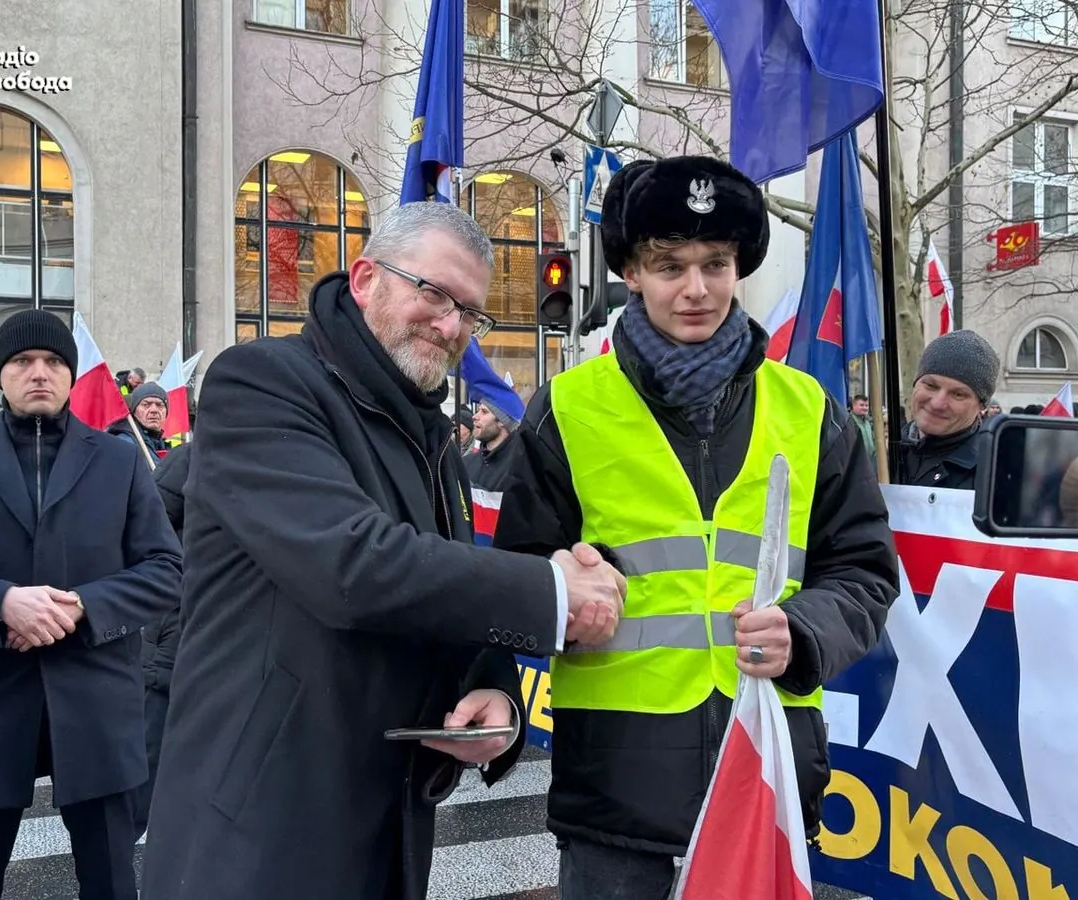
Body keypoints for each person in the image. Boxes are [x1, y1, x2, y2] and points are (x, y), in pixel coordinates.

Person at [142, 201, 626, 900]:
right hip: (257, 827)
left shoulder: (432, 436)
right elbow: (352, 565)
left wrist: (490, 686)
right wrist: (550, 592)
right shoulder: (263, 382)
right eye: (433, 293)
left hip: (388, 817)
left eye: (471, 312)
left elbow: (441, 590)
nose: (452, 324)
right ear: (367, 278)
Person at [493, 156, 901, 896]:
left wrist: (804, 630)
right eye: (669, 264)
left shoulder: (810, 411)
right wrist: (559, 592)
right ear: (631, 270)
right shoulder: (566, 409)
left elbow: (866, 572)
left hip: (765, 774)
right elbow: (514, 576)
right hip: (618, 792)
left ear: (738, 266)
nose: (696, 288)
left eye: (716, 263)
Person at [0, 309, 182, 900]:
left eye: (53, 362)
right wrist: (0, 603)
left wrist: (81, 606)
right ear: (0, 374)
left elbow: (165, 570)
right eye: (23, 361)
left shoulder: (119, 461)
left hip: (96, 704)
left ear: (71, 375)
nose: (39, 373)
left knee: (109, 881)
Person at [131, 439, 191, 839]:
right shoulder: (193, 459)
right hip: (173, 638)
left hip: (236, 649)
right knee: (144, 771)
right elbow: (144, 528)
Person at [899, 329, 999, 489]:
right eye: (931, 385)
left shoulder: (995, 474)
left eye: (958, 394)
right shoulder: (879, 456)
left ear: (981, 406)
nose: (938, 403)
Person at [108, 382, 169, 465]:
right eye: (146, 405)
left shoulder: (158, 443)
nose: (154, 410)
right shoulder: (125, 444)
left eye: (159, 405)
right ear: (134, 410)